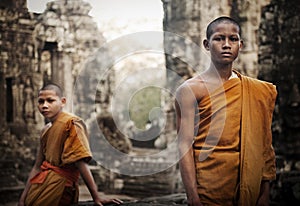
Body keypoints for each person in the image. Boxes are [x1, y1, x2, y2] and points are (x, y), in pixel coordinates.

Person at [175, 16, 277, 206]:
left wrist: (265, 192)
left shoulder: (257, 90)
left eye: (233, 39)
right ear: (207, 44)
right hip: (209, 186)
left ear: (241, 44)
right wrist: (193, 197)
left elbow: (264, 144)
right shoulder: (190, 90)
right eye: (219, 38)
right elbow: (184, 147)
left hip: (250, 187)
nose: (227, 45)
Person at [18, 83, 123, 206]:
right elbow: (37, 166)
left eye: (50, 101)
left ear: (62, 102)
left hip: (61, 187)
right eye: (41, 102)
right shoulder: (45, 130)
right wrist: (23, 198)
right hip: (41, 185)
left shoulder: (72, 124)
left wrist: (96, 197)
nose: (44, 106)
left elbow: (80, 162)